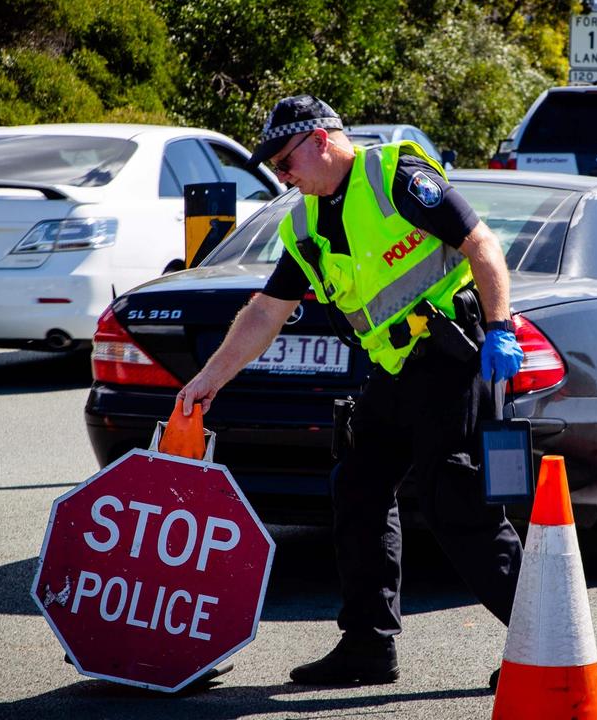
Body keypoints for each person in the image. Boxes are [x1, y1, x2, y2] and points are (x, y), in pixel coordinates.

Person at [176, 95, 525, 687]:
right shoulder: (307, 222)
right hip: (392, 372)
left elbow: (481, 244)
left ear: (319, 140)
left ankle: (541, 639)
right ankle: (368, 646)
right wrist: (208, 380)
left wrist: (500, 328)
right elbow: (265, 312)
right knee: (357, 486)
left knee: (454, 500)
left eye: (286, 163)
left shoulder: (397, 176)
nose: (283, 178)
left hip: (450, 356)